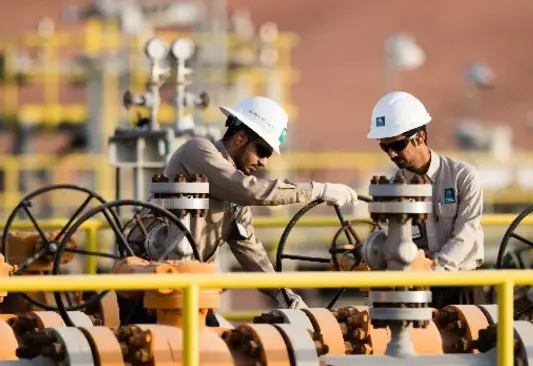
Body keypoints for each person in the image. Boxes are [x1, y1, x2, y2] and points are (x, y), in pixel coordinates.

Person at [119, 96, 361, 325]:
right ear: (240, 137)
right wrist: (316, 190)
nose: (264, 161)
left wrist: (282, 294)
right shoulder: (197, 152)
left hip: (188, 288)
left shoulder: (235, 199)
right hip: (150, 286)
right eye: (263, 151)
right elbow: (248, 190)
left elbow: (249, 249)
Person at [366, 91, 487, 309]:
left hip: (462, 284)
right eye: (385, 147)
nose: (391, 154)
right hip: (419, 290)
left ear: (420, 137)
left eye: (397, 145)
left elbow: (466, 233)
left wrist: (434, 271)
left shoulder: (463, 177)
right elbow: (387, 237)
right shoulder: (393, 189)